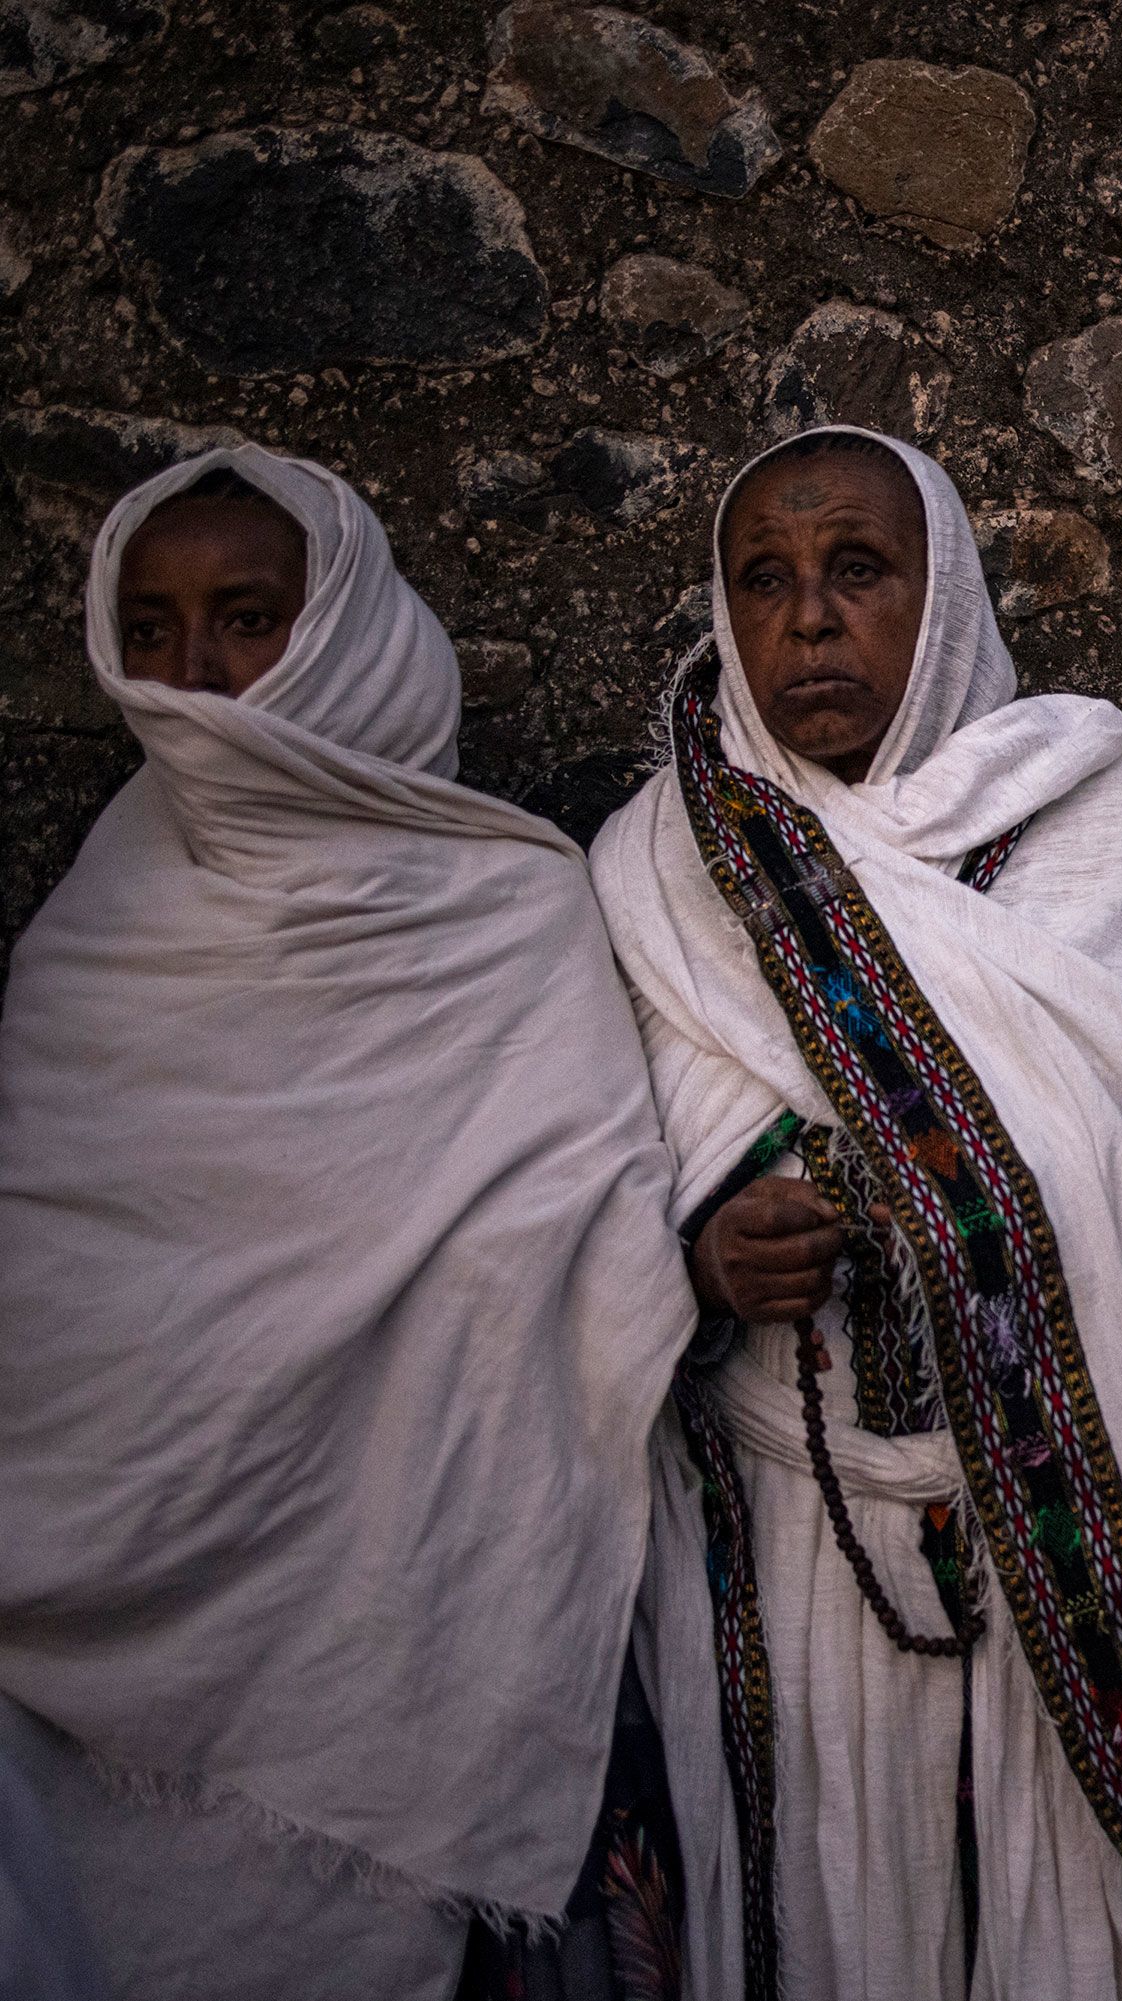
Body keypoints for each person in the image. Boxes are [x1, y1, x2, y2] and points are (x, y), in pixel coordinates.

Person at [587, 424, 1122, 2000]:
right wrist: (695, 1258)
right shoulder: (655, 876)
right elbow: (571, 1209)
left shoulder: (1098, 833)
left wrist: (1024, 1199)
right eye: (766, 581)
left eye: (858, 571)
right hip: (799, 1547)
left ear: (940, 600)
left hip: (1077, 1560)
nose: (810, 619)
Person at [0, 448, 695, 1997]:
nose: (196, 672)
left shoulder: (503, 915)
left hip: (397, 1630)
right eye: (155, 623)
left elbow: (587, 1248)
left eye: (247, 619)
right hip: (90, 1673)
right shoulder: (93, 943)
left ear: (349, 638)